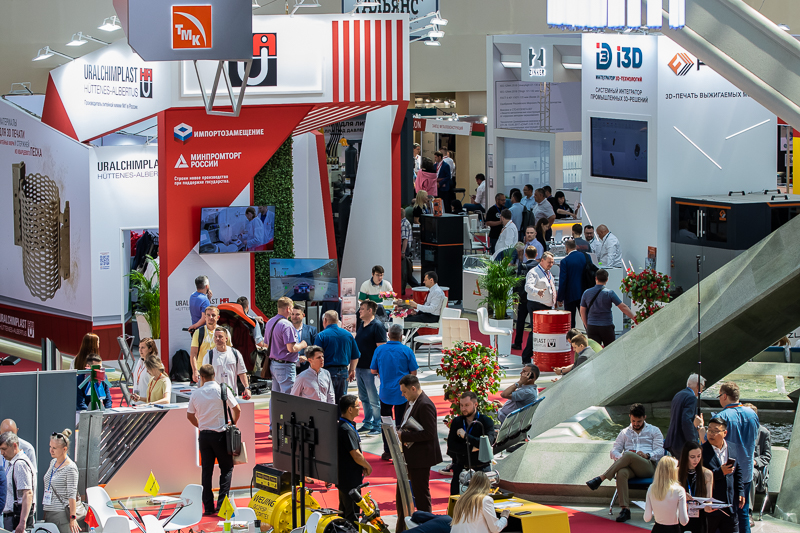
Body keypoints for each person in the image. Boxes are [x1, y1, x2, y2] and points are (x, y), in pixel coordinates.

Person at [586, 403, 665, 523]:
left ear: (644, 417)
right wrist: (622, 457)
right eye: (633, 421)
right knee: (622, 471)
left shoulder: (654, 430)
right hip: (629, 467)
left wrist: (647, 455)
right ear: (629, 417)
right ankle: (625, 509)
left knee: (628, 454)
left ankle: (602, 478)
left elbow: (660, 451)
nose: (636, 424)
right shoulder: (624, 432)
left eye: (639, 421)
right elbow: (614, 451)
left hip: (648, 466)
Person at [187, 364, 240, 516]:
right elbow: (237, 409)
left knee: (206, 471)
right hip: (221, 435)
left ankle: (208, 506)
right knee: (226, 469)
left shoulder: (196, 393)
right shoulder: (222, 390)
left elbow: (190, 415)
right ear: (214, 374)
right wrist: (233, 423)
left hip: (204, 435)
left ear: (202, 377)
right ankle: (222, 504)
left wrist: (200, 425)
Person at [396, 375, 443, 533]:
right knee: (403, 494)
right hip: (410, 456)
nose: (402, 395)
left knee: (421, 494)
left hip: (421, 458)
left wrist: (404, 436)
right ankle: (402, 527)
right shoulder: (413, 402)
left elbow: (430, 433)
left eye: (404, 391)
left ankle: (427, 527)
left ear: (413, 388)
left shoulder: (425, 404)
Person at [713, 382, 760, 532]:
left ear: (724, 396)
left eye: (719, 396)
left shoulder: (721, 417)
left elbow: (711, 443)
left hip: (728, 473)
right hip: (746, 472)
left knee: (724, 514)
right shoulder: (752, 414)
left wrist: (700, 428)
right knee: (743, 513)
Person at [371, 324, 419, 460]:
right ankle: (401, 451)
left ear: (388, 335)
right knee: (401, 423)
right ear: (401, 336)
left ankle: (388, 451)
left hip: (385, 392)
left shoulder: (380, 350)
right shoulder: (406, 350)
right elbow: (414, 373)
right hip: (403, 394)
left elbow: (373, 370)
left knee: (386, 423)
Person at [263, 297, 309, 434]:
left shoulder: (270, 322)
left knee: (275, 398)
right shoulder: (287, 325)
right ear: (288, 308)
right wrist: (302, 345)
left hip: (274, 364)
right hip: (285, 366)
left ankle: (274, 428)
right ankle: (286, 429)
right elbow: (291, 348)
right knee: (289, 398)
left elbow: (266, 344)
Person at [446, 392, 496, 495]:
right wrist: (472, 448)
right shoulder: (457, 422)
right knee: (456, 500)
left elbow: (487, 443)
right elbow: (451, 446)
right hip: (461, 468)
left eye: (467, 405)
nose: (463, 408)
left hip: (481, 469)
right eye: (461, 405)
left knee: (480, 501)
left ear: (475, 404)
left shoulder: (485, 421)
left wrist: (466, 436)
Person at [702, 417, 743, 533]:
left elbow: (738, 471)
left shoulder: (732, 447)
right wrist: (720, 472)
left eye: (715, 431)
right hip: (711, 506)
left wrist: (740, 491)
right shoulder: (702, 451)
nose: (711, 434)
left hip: (730, 505)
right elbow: (699, 477)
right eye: (709, 430)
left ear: (725, 433)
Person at [337, 395, 372, 524]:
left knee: (344, 511)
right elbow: (355, 454)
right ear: (350, 409)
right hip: (350, 479)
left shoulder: (342, 425)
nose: (359, 408)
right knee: (352, 514)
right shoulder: (347, 429)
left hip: (343, 477)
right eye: (357, 406)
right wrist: (367, 465)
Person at [580, 269, 636, 347]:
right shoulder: (609, 293)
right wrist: (634, 318)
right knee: (610, 350)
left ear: (596, 278)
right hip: (606, 326)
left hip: (592, 326)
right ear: (607, 279)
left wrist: (587, 325)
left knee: (595, 350)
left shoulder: (586, 293)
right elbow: (623, 307)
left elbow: (582, 311)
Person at [355, 301, 387, 436]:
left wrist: (378, 368)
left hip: (370, 369)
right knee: (363, 397)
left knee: (373, 398)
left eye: (362, 309)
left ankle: (377, 425)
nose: (359, 311)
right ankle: (367, 422)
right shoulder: (361, 325)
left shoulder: (377, 326)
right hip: (359, 367)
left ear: (370, 311)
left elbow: (381, 349)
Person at [316, 310, 361, 403]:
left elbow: (316, 355)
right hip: (343, 372)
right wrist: (352, 370)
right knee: (342, 401)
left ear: (325, 320)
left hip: (326, 371)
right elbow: (355, 355)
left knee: (326, 400)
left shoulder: (321, 335)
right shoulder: (348, 335)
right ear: (337, 321)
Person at [42, 430, 81, 533]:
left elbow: (72, 495)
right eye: (50, 447)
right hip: (49, 511)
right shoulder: (52, 462)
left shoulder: (70, 468)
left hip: (61, 514)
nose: (51, 450)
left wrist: (73, 518)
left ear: (64, 449)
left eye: (54, 448)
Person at [521, 252, 556, 364]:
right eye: (549, 262)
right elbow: (528, 287)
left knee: (544, 333)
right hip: (536, 305)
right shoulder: (534, 272)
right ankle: (526, 357)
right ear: (542, 260)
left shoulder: (548, 272)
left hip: (547, 306)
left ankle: (541, 356)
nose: (551, 264)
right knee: (536, 332)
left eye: (552, 262)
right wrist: (537, 291)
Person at [202, 327, 251, 399]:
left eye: (220, 336)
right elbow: (203, 377)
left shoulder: (235, 353)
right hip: (215, 396)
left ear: (226, 338)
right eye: (215, 337)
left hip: (233, 395)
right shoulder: (209, 356)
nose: (217, 339)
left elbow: (242, 373)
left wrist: (247, 388)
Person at [643, 457, 689, 533]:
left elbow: (647, 518)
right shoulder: (679, 490)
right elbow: (684, 521)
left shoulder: (652, 488)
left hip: (657, 529)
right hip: (673, 529)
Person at [664, 374, 706, 459]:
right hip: (682, 443)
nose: (701, 391)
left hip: (672, 440)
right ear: (698, 386)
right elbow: (686, 421)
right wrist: (693, 443)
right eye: (703, 387)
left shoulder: (678, 394)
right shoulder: (691, 398)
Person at [0, 432, 35, 533]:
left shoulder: (20, 464)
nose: (2, 453)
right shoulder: (14, 462)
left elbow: (27, 493)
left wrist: (22, 523)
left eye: (4, 449)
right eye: (0, 449)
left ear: (14, 445)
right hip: (12, 517)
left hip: (16, 518)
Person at [742, 403, 771, 521]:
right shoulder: (737, 430)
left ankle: (748, 512)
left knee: (751, 474)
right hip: (738, 464)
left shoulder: (763, 432)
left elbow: (767, 456)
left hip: (754, 468)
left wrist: (754, 462)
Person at [677, 441, 713, 533]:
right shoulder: (675, 473)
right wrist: (681, 495)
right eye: (692, 457)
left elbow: (709, 499)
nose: (696, 460)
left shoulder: (707, 474)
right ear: (686, 457)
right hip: (680, 515)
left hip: (699, 518)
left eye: (699, 456)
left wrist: (709, 506)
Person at [190, 306, 232, 383]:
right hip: (203, 371)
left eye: (213, 315)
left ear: (218, 317)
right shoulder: (198, 332)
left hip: (220, 371)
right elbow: (193, 354)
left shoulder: (224, 332)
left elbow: (229, 353)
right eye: (208, 315)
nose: (210, 317)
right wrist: (195, 371)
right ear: (205, 317)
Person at [511, 246, 539, 350]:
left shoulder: (522, 266)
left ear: (525, 255)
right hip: (534, 298)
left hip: (523, 297)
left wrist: (515, 295)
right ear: (536, 255)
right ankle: (535, 345)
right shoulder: (538, 267)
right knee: (534, 323)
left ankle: (518, 343)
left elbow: (518, 281)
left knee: (520, 321)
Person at [556, 239, 587, 327]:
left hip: (570, 294)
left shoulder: (565, 261)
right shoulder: (586, 257)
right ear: (576, 246)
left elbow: (563, 280)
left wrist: (560, 298)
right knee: (586, 319)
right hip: (584, 292)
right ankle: (591, 334)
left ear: (566, 248)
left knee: (570, 321)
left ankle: (572, 335)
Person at [131, 338, 156, 403]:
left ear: (150, 349)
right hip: (136, 402)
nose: (140, 350)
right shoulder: (140, 361)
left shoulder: (154, 364)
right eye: (139, 347)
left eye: (143, 348)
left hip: (147, 403)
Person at [401, 207, 420, 292]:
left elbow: (405, 239)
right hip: (406, 248)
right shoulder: (406, 222)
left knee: (405, 271)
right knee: (407, 272)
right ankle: (417, 288)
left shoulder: (403, 224)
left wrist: (403, 251)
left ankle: (417, 288)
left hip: (404, 249)